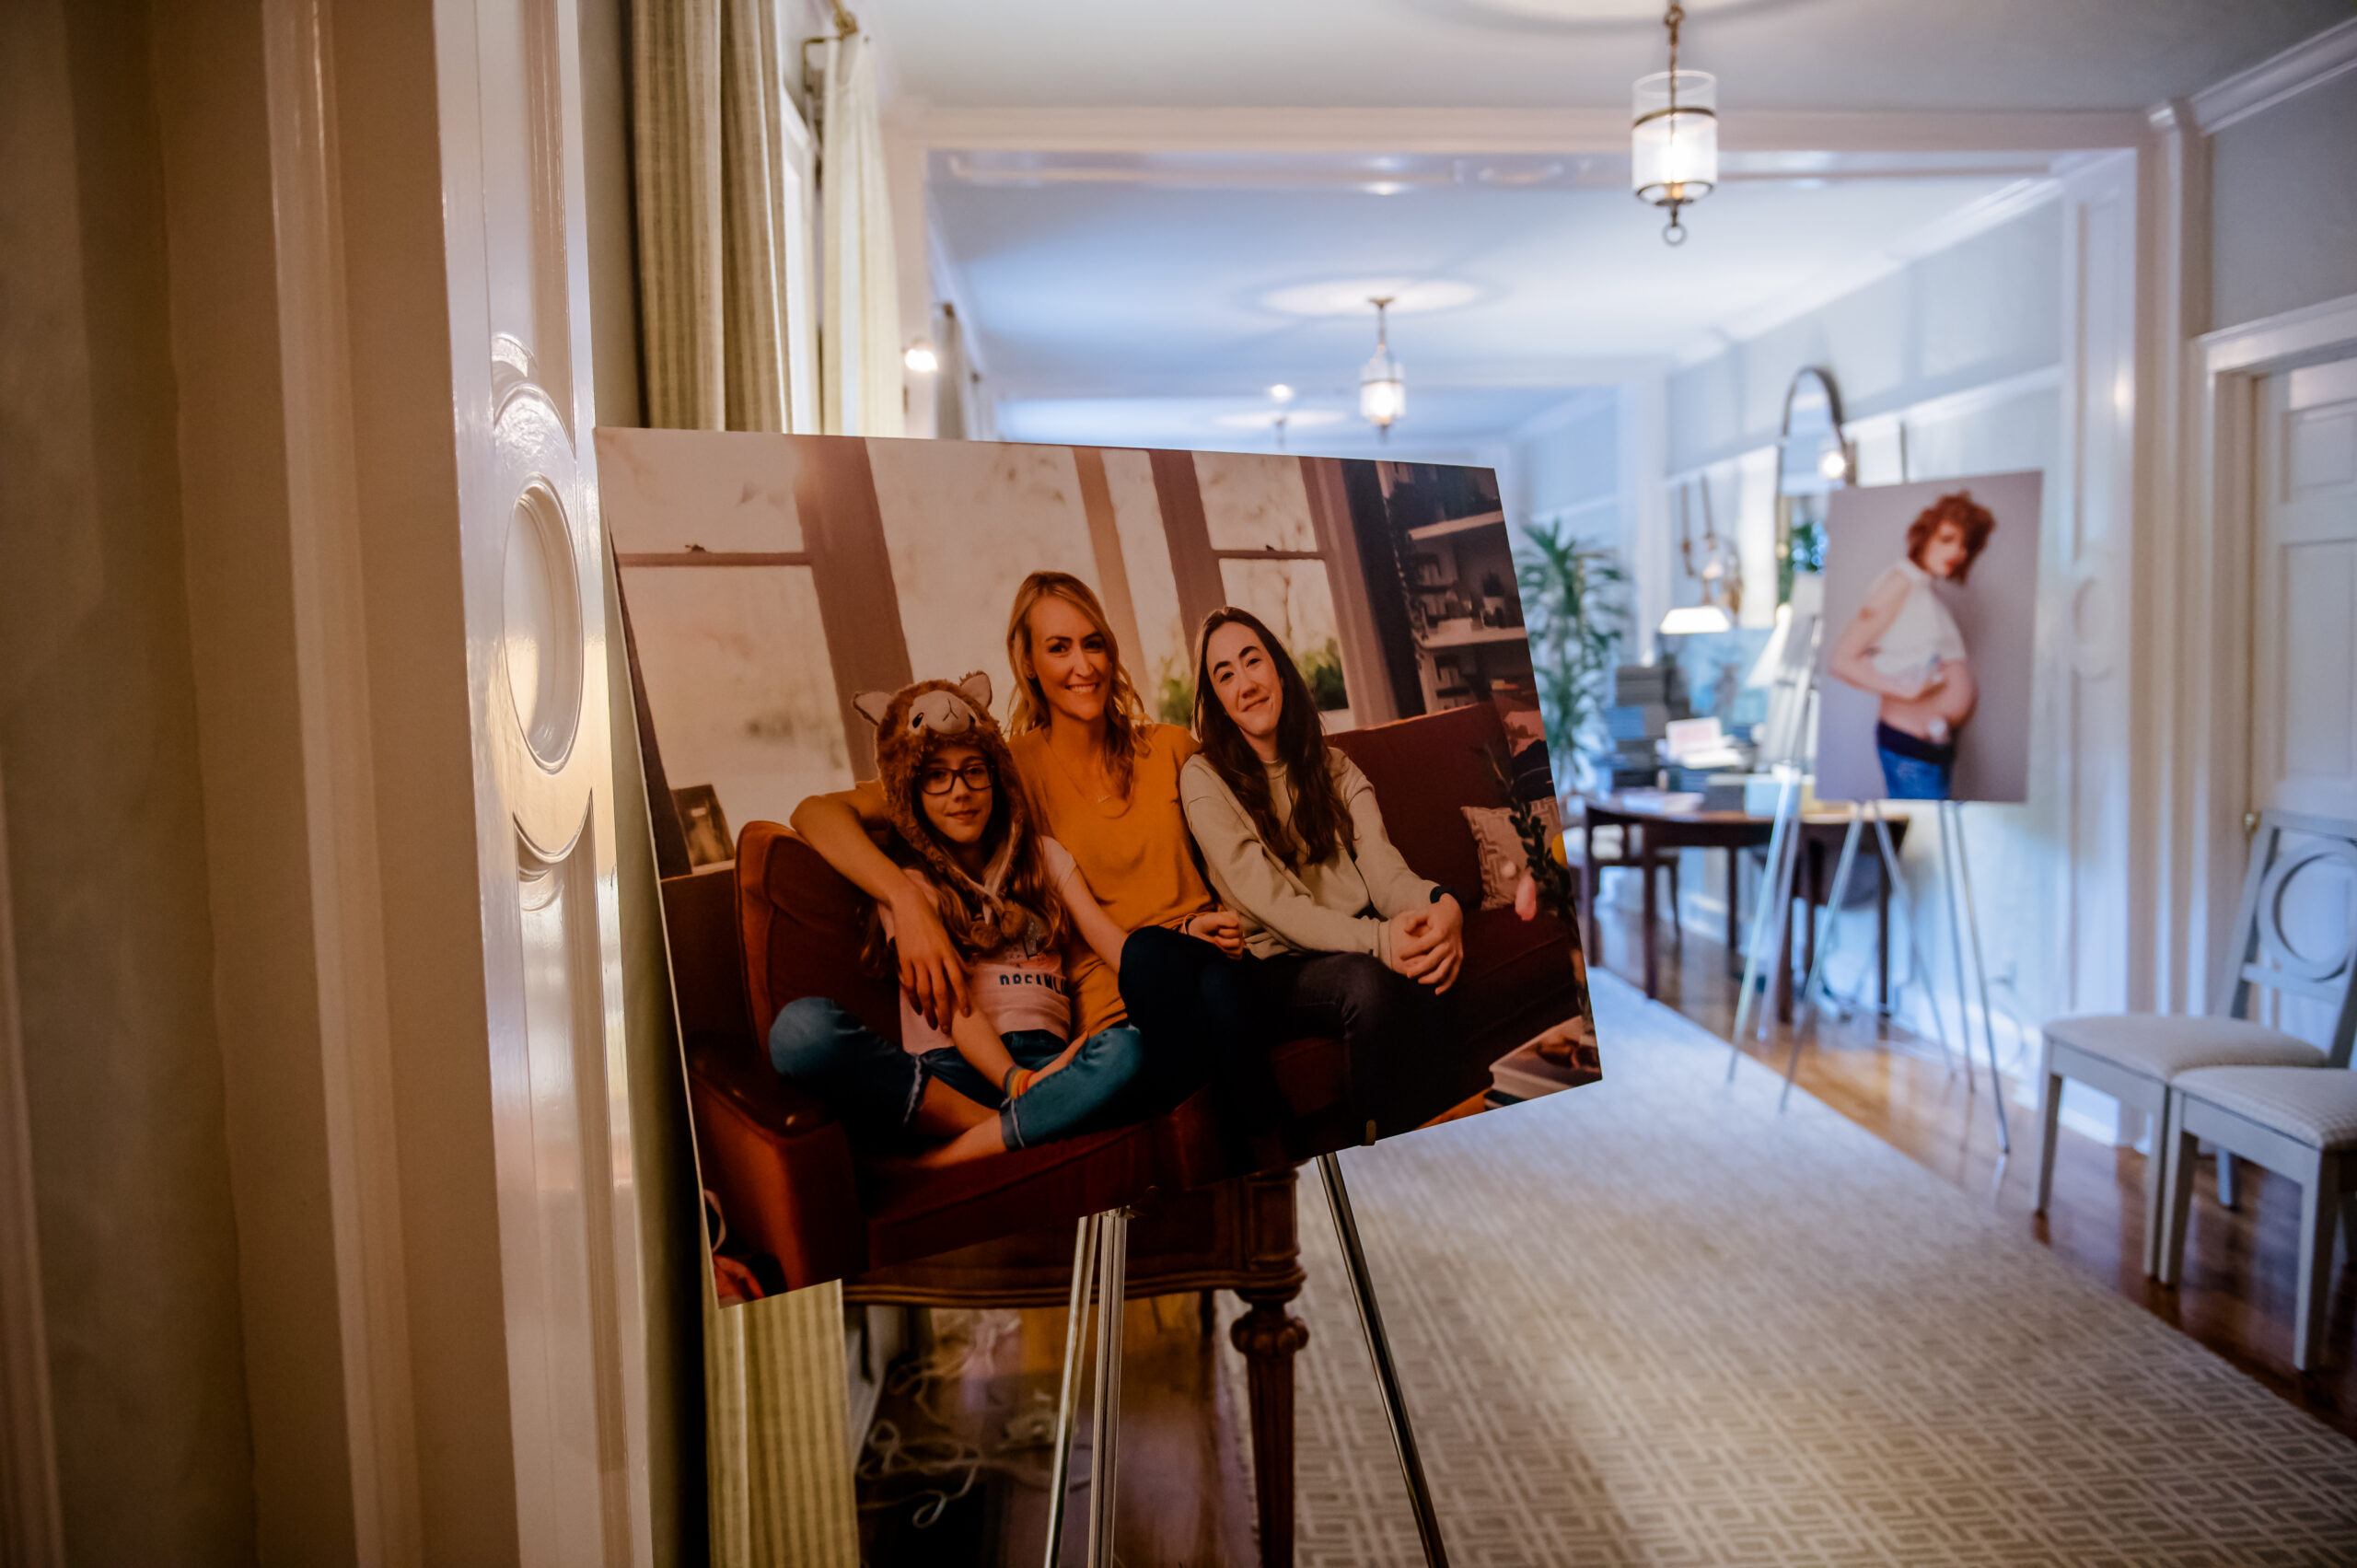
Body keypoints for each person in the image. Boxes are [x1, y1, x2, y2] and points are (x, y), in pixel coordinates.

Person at [769, 673, 1148, 1165]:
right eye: (936, 776)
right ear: (912, 791)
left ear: (996, 775)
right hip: (949, 1078)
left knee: (1130, 1050)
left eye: (974, 771)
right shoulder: (910, 883)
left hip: (1050, 1065)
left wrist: (1175, 956)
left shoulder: (1043, 856)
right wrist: (1015, 1081)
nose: (960, 792)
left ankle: (952, 1154)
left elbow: (1112, 943)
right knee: (800, 1032)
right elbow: (956, 1008)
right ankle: (1011, 1121)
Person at [1179, 607, 1466, 1142]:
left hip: (1353, 938)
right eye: (1225, 674)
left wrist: (1441, 905)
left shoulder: (1335, 766)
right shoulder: (1204, 779)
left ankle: (1450, 1137)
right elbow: (1275, 906)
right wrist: (1380, 941)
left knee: (1430, 957)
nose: (1245, 684)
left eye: (1252, 661)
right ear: (1215, 698)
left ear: (1279, 669)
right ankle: (1377, 1157)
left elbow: (1384, 871)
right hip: (1275, 966)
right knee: (1367, 982)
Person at [1827, 490, 1995, 800]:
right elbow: (1842, 660)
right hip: (1911, 750)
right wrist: (1906, 690)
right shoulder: (1900, 582)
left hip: (1929, 747)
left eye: (1964, 544)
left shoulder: (1921, 587)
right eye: (1947, 539)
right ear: (1925, 536)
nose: (1957, 552)